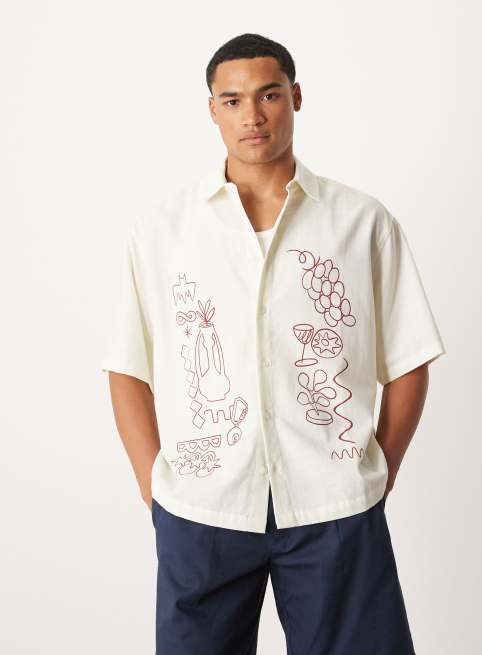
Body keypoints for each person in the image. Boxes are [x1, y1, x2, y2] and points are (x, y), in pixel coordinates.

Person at [101, 32, 446, 655]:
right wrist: (154, 485)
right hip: (204, 509)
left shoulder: (361, 221)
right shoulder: (163, 232)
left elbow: (408, 359)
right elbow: (127, 366)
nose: (252, 116)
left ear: (296, 97)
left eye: (269, 95)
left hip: (333, 505)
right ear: (212, 110)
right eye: (232, 101)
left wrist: (377, 474)